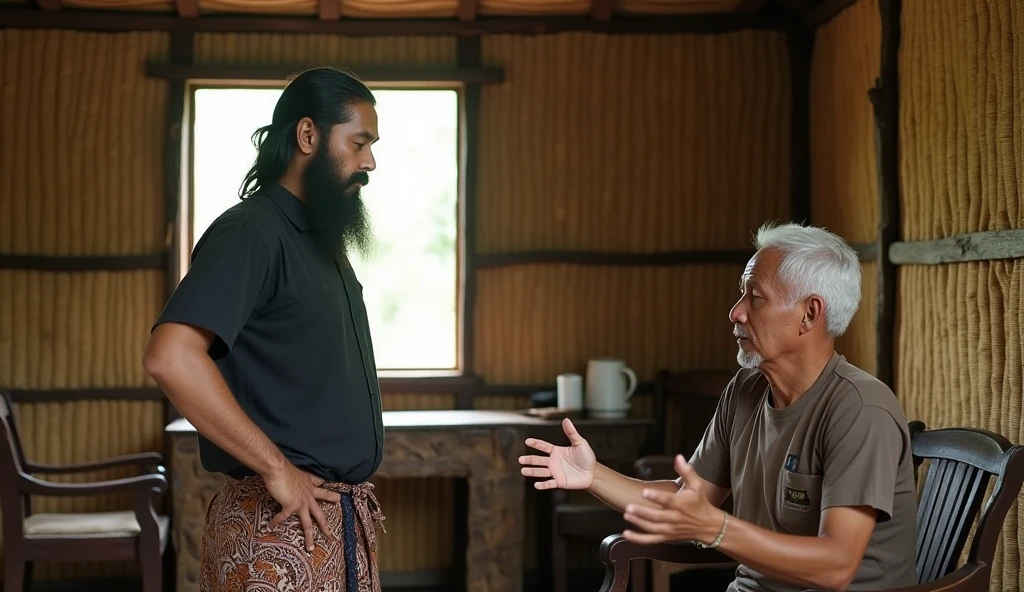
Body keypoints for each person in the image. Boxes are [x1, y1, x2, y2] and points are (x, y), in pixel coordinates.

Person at [520, 222, 920, 592]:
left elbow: (837, 566)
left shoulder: (860, 409)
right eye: (742, 294)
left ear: (809, 314)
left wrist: (718, 529)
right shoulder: (746, 389)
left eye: (755, 297)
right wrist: (592, 476)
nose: (736, 311)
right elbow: (685, 500)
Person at [143, 67, 386, 592]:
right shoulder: (251, 231)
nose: (369, 161)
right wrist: (277, 469)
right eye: (359, 142)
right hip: (273, 532)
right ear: (307, 136)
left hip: (329, 528)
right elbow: (172, 356)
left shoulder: (319, 239)